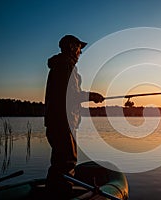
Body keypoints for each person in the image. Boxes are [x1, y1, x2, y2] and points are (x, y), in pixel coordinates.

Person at [44, 35, 104, 199]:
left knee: (59, 162)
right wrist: (91, 96)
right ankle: (63, 194)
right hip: (64, 122)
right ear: (71, 47)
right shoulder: (66, 65)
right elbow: (70, 95)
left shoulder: (60, 65)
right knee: (67, 162)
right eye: (79, 48)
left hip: (58, 121)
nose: (80, 52)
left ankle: (52, 193)